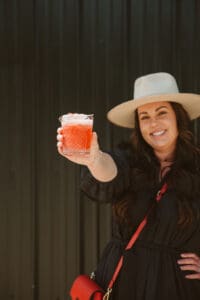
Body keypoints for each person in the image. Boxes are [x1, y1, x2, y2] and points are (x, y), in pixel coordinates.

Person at [57, 72, 200, 299]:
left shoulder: (196, 168)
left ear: (178, 117)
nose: (154, 123)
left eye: (162, 113)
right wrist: (93, 158)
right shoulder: (128, 160)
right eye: (144, 117)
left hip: (173, 285)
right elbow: (110, 171)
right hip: (123, 280)